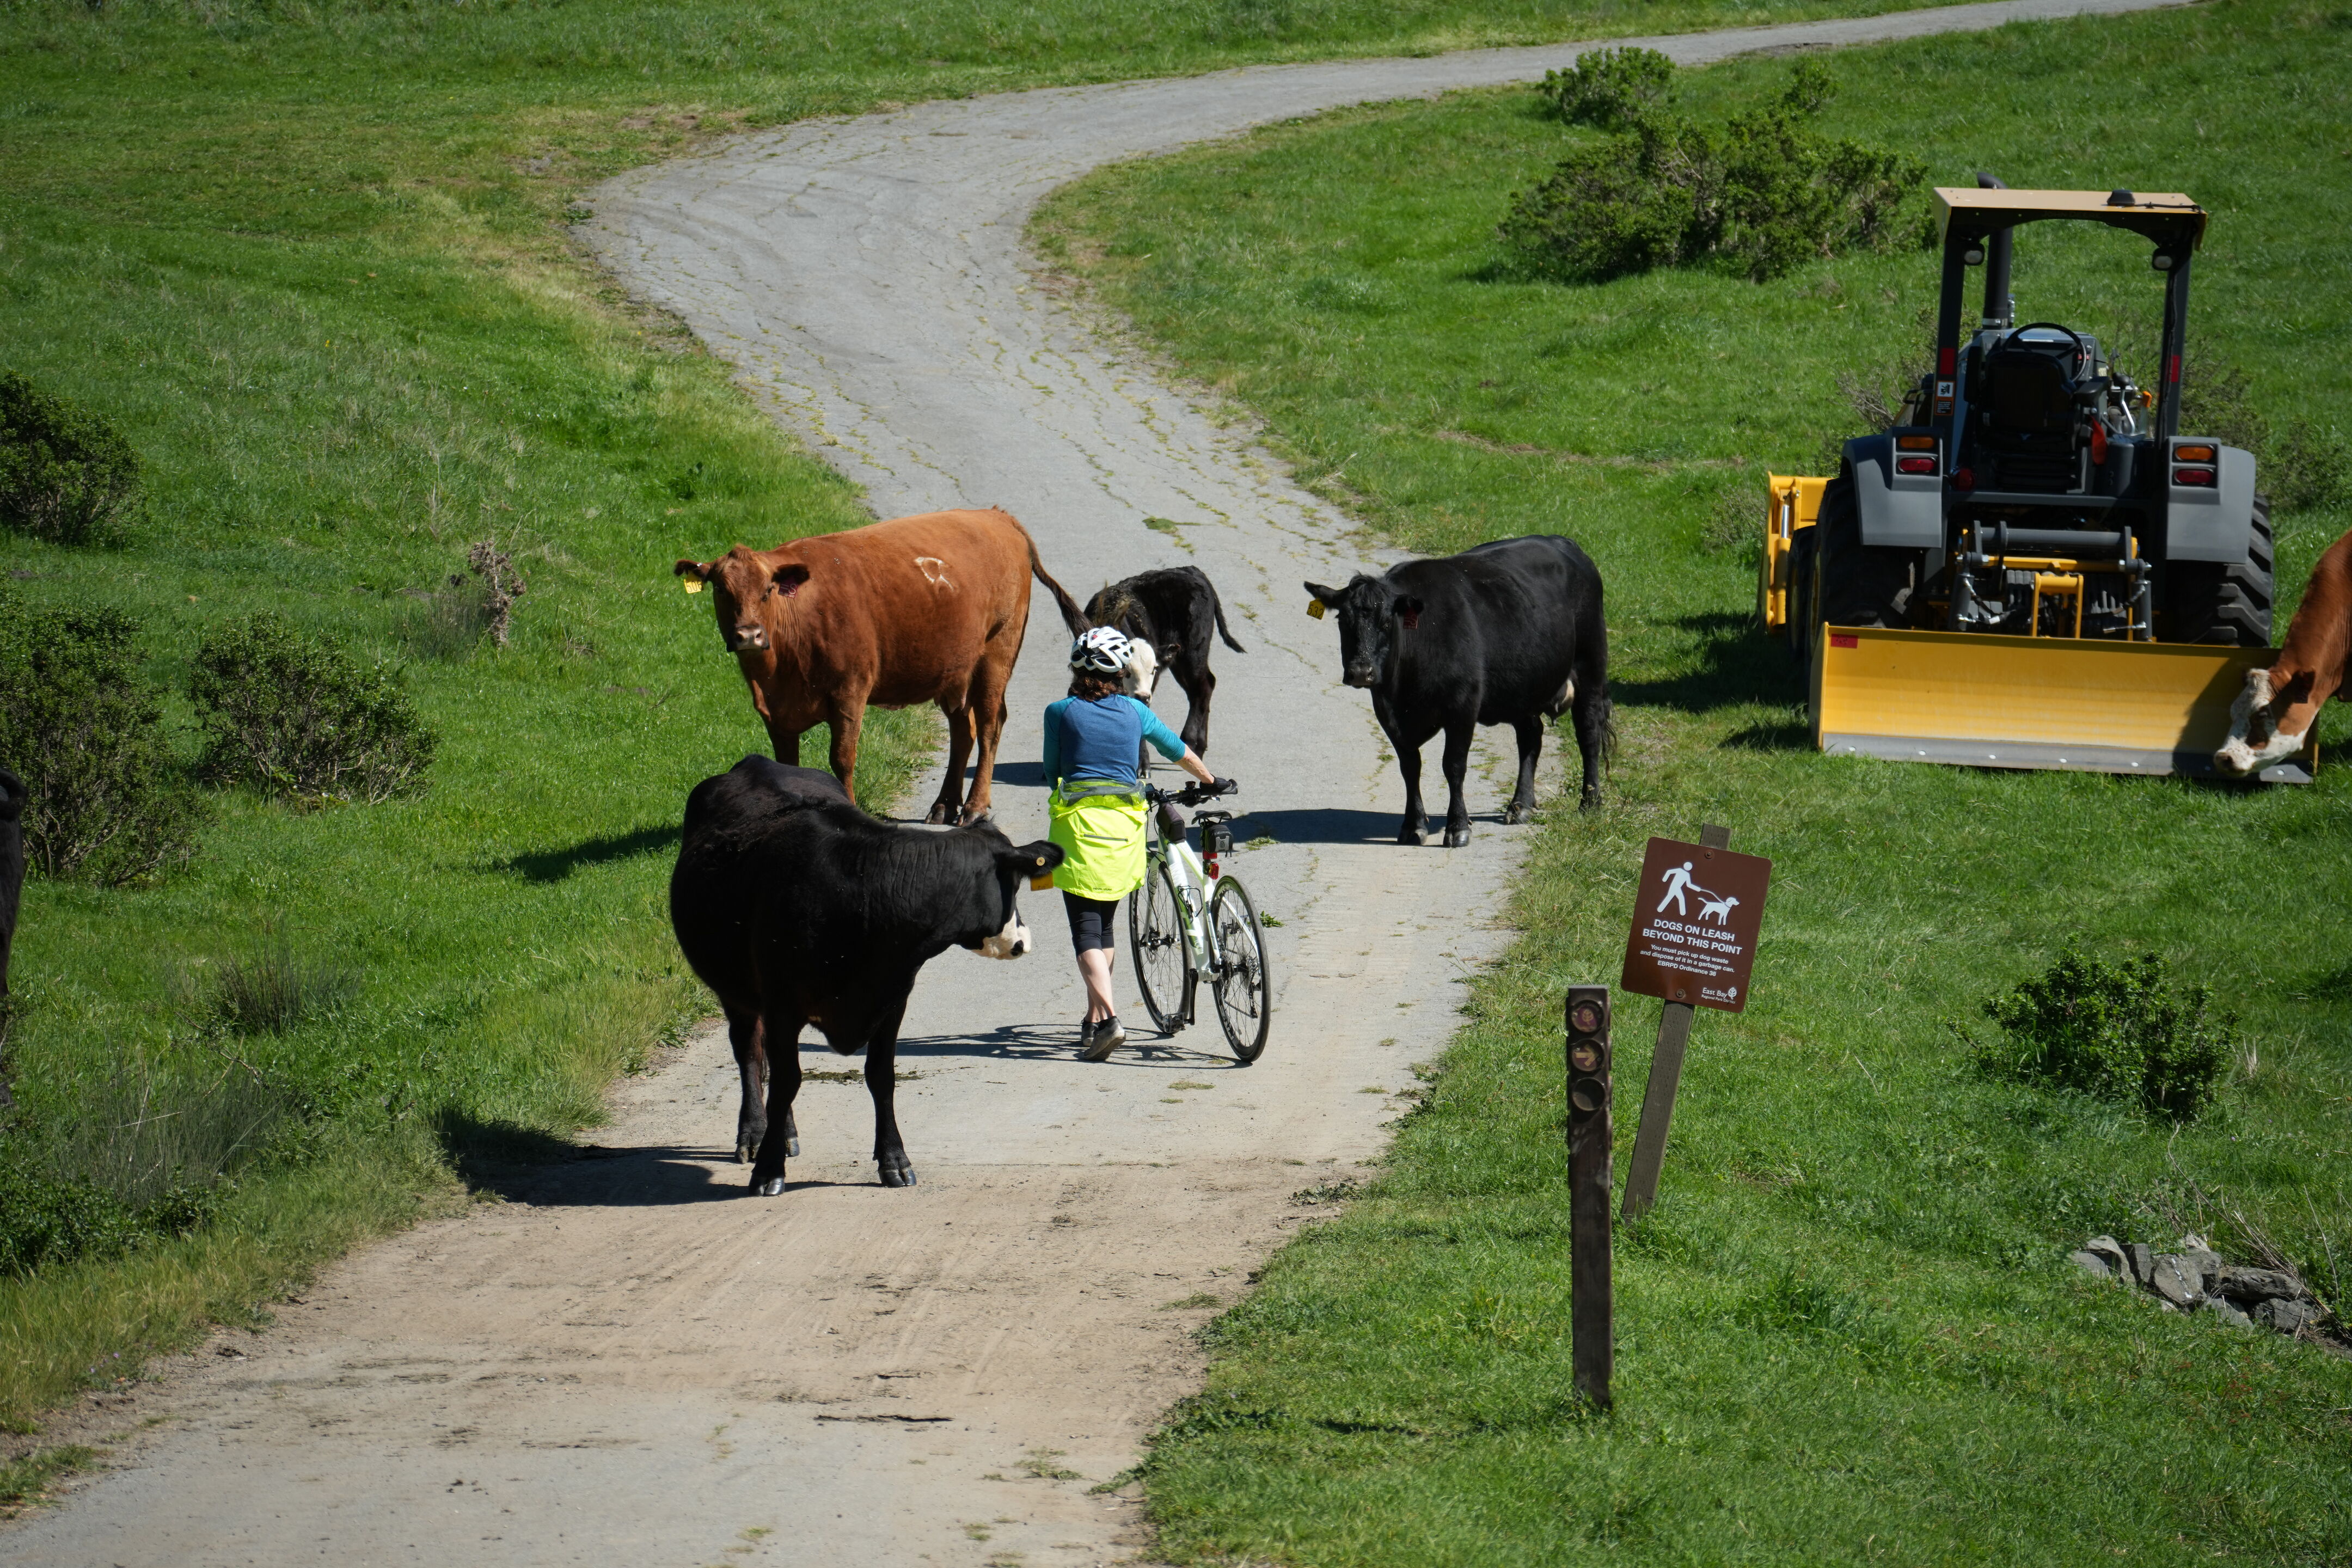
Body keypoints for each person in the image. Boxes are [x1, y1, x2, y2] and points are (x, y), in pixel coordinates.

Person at [1044, 627, 1227, 1062]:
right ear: (1122, 672)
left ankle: (1109, 1020)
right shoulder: (1135, 712)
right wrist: (1210, 780)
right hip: (1126, 830)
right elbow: (1178, 750)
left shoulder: (1059, 712)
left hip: (1078, 828)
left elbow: (1053, 772)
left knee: (1085, 930)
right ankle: (1092, 1021)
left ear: (1076, 669)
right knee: (1104, 928)